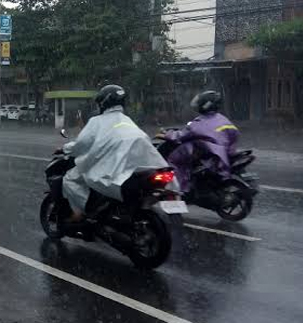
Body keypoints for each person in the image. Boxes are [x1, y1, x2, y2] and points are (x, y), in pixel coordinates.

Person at [61, 85, 169, 223]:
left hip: (112, 167)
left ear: (102, 103)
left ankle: (81, 212)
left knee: (70, 178)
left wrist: (65, 148)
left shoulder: (97, 121)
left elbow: (81, 145)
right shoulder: (127, 120)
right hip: (141, 167)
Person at [159, 90, 239, 192]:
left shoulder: (199, 122)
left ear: (204, 106)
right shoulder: (223, 119)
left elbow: (180, 135)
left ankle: (180, 189)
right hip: (223, 153)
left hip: (206, 152)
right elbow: (234, 134)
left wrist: (167, 134)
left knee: (174, 160)